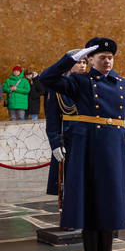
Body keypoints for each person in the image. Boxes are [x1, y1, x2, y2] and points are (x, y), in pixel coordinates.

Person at [40, 37, 125, 251]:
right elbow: (46, 79)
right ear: (91, 59)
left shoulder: (123, 84)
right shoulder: (79, 81)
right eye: (102, 57)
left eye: (110, 57)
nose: (107, 61)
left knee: (111, 206)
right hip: (88, 149)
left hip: (114, 149)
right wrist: (69, 58)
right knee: (90, 207)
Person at [45, 58, 87, 202]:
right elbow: (52, 119)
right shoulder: (57, 88)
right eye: (79, 62)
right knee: (69, 185)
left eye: (85, 62)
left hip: (89, 139)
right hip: (69, 141)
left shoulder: (92, 85)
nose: (82, 65)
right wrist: (55, 142)